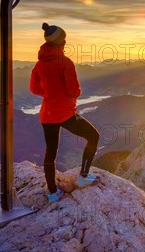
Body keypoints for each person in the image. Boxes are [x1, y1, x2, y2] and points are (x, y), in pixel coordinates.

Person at [30, 22, 100, 202]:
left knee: (50, 152)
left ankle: (52, 193)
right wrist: (76, 93)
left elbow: (34, 87)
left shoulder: (39, 64)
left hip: (47, 114)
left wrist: (48, 93)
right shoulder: (65, 62)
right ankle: (83, 176)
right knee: (93, 136)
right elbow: (73, 90)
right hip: (66, 113)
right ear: (61, 43)